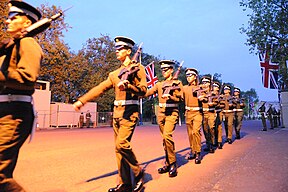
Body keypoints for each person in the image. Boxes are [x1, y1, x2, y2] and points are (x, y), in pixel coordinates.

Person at [73, 36, 146, 192]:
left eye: (120, 49)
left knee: (122, 144)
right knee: (118, 150)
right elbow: (100, 88)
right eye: (116, 49)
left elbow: (143, 90)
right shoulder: (115, 74)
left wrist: (130, 87)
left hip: (129, 113)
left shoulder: (138, 68)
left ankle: (138, 172)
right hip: (117, 114)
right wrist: (82, 101)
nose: (117, 51)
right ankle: (125, 184)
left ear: (128, 51)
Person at [0, 1, 43, 191]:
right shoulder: (10, 47)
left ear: (27, 23)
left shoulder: (28, 43)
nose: (7, 20)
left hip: (14, 113)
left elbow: (28, 77)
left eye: (13, 17)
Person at [144, 60, 183, 177]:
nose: (163, 72)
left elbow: (180, 99)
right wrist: (133, 89)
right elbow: (147, 92)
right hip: (161, 113)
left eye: (166, 70)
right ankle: (167, 162)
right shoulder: (160, 84)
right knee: (164, 140)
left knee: (167, 136)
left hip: (172, 113)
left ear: (171, 70)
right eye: (162, 70)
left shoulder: (177, 83)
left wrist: (170, 96)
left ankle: (173, 163)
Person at [183, 68, 203, 164]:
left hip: (197, 113)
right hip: (188, 113)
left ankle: (198, 152)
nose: (188, 77)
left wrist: (203, 97)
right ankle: (193, 150)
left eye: (190, 75)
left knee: (196, 131)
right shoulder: (185, 88)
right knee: (190, 133)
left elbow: (206, 98)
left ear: (195, 77)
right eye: (187, 76)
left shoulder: (200, 87)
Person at [200, 76, 216, 153]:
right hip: (203, 113)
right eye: (203, 82)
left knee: (211, 128)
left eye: (206, 82)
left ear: (210, 84)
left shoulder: (213, 93)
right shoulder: (200, 92)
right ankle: (208, 144)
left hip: (211, 113)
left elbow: (217, 102)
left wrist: (212, 103)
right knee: (205, 129)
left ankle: (212, 143)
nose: (204, 84)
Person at [212, 81, 225, 149]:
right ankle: (214, 141)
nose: (214, 88)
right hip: (212, 112)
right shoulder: (210, 94)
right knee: (212, 128)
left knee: (219, 127)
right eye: (214, 86)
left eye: (216, 87)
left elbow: (223, 105)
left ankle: (219, 141)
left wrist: (218, 104)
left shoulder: (221, 96)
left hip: (219, 112)